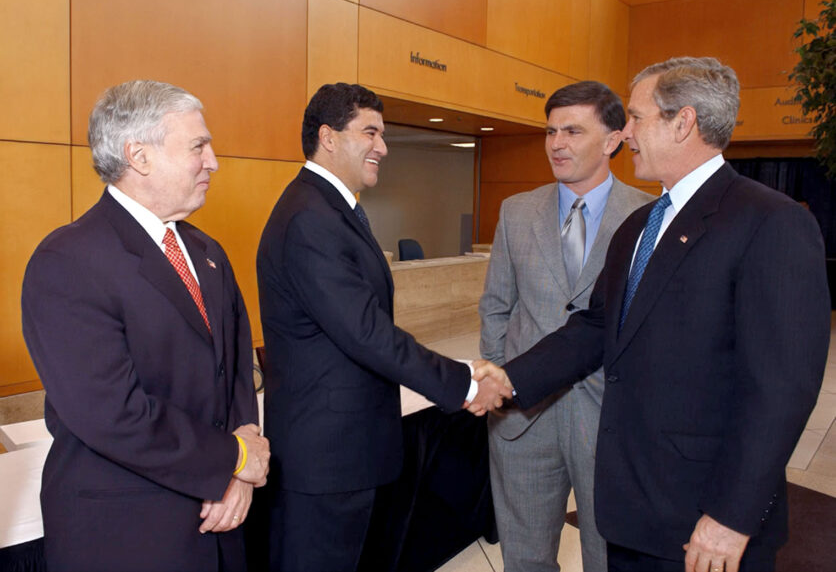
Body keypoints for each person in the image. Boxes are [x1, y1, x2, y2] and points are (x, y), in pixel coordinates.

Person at [474, 57, 830, 572]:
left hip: (703, 518)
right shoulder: (642, 224)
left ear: (682, 122)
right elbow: (596, 327)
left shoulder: (771, 223)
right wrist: (509, 378)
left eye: (637, 118)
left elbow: (782, 388)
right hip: (633, 508)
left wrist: (730, 515)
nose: (629, 134)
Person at [256, 82, 511, 572]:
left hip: (347, 451)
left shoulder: (331, 208)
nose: (383, 147)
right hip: (326, 461)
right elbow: (367, 333)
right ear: (328, 137)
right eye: (370, 132)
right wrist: (464, 381)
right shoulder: (310, 218)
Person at [21, 80, 269, 572]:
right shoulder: (66, 260)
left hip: (222, 521)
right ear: (139, 155)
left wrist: (239, 474)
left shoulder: (206, 251)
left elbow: (238, 369)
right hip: (128, 534)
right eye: (198, 145)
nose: (213, 160)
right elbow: (114, 413)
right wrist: (232, 459)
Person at [479, 81, 652, 572]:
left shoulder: (646, 216)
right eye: (551, 131)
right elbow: (496, 306)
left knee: (609, 557)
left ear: (614, 139)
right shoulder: (517, 211)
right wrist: (504, 380)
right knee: (526, 558)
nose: (557, 143)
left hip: (610, 421)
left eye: (573, 130)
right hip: (522, 419)